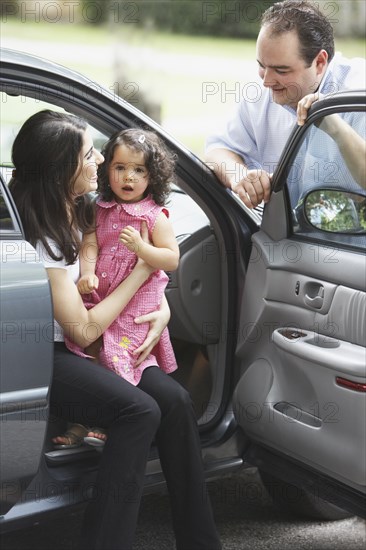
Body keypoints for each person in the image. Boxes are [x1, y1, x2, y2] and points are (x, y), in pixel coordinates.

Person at [9, 110, 222, 550]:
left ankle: (201, 542)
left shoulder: (85, 209)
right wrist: (142, 272)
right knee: (139, 411)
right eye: (89, 154)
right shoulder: (39, 239)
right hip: (50, 354)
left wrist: (160, 307)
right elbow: (83, 330)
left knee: (177, 401)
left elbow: (137, 262)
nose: (100, 161)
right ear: (61, 168)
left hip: (103, 338)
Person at [205, 0, 366, 208]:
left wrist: (335, 128)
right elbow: (217, 149)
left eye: (281, 71)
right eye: (262, 66)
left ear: (319, 63)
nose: (266, 81)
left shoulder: (358, 93)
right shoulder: (261, 93)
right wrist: (239, 177)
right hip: (277, 235)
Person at [66, 128, 180, 392]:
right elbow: (90, 243)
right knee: (91, 353)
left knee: (119, 356)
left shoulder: (154, 217)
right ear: (107, 170)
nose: (128, 176)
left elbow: (171, 259)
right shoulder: (99, 208)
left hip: (133, 305)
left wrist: (142, 248)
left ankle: (118, 404)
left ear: (153, 176)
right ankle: (92, 417)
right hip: (101, 298)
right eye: (120, 167)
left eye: (139, 170)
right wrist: (87, 273)